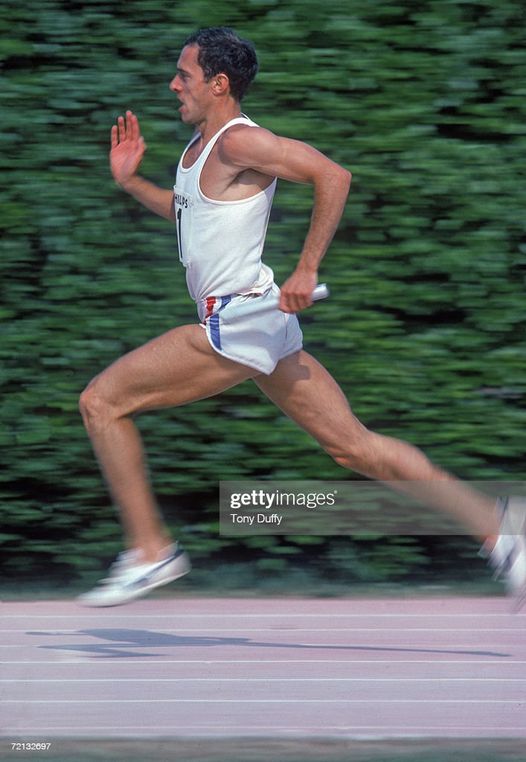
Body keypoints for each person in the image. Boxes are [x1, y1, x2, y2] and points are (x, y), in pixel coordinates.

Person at [77, 27, 526, 607]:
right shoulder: (197, 152)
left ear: (219, 84)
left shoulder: (241, 142)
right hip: (258, 322)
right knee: (356, 449)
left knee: (101, 402)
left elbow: (332, 175)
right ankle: (500, 531)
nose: (173, 84)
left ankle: (149, 550)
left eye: (183, 75)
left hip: (234, 322)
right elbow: (186, 213)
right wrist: (132, 182)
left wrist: (306, 268)